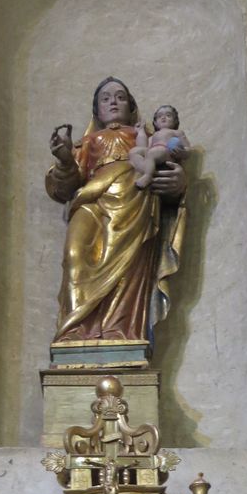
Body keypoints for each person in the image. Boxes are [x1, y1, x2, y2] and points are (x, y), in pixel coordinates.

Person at [46, 77, 186, 344]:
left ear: (131, 108)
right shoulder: (87, 142)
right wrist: (65, 160)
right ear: (96, 110)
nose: (113, 102)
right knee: (75, 254)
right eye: (106, 98)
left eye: (120, 97)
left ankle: (120, 331)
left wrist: (178, 182)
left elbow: (168, 164)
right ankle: (74, 330)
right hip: (91, 201)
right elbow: (65, 187)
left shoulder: (145, 137)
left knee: (129, 268)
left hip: (134, 201)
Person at [129, 105, 190, 190]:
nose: (163, 118)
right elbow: (143, 147)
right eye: (160, 116)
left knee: (152, 153)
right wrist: (141, 130)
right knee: (134, 152)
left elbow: (187, 148)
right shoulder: (153, 136)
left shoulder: (177, 132)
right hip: (153, 152)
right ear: (155, 123)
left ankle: (148, 176)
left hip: (167, 152)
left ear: (175, 121)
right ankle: (146, 170)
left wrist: (182, 152)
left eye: (168, 115)